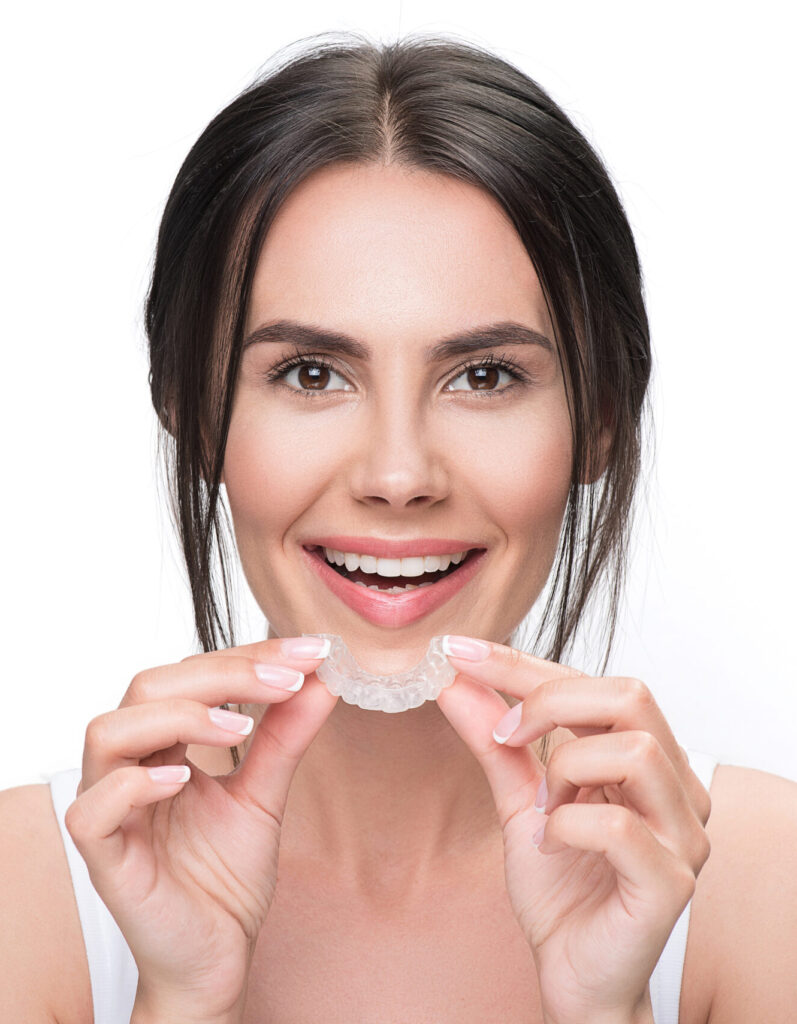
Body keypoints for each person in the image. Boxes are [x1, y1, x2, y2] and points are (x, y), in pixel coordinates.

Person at [2, 31, 795, 1024]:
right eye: (311, 374)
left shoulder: (765, 886)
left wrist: (608, 1009)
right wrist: (180, 999)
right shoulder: (28, 894)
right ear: (194, 412)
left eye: (483, 376)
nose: (396, 476)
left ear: (599, 420)